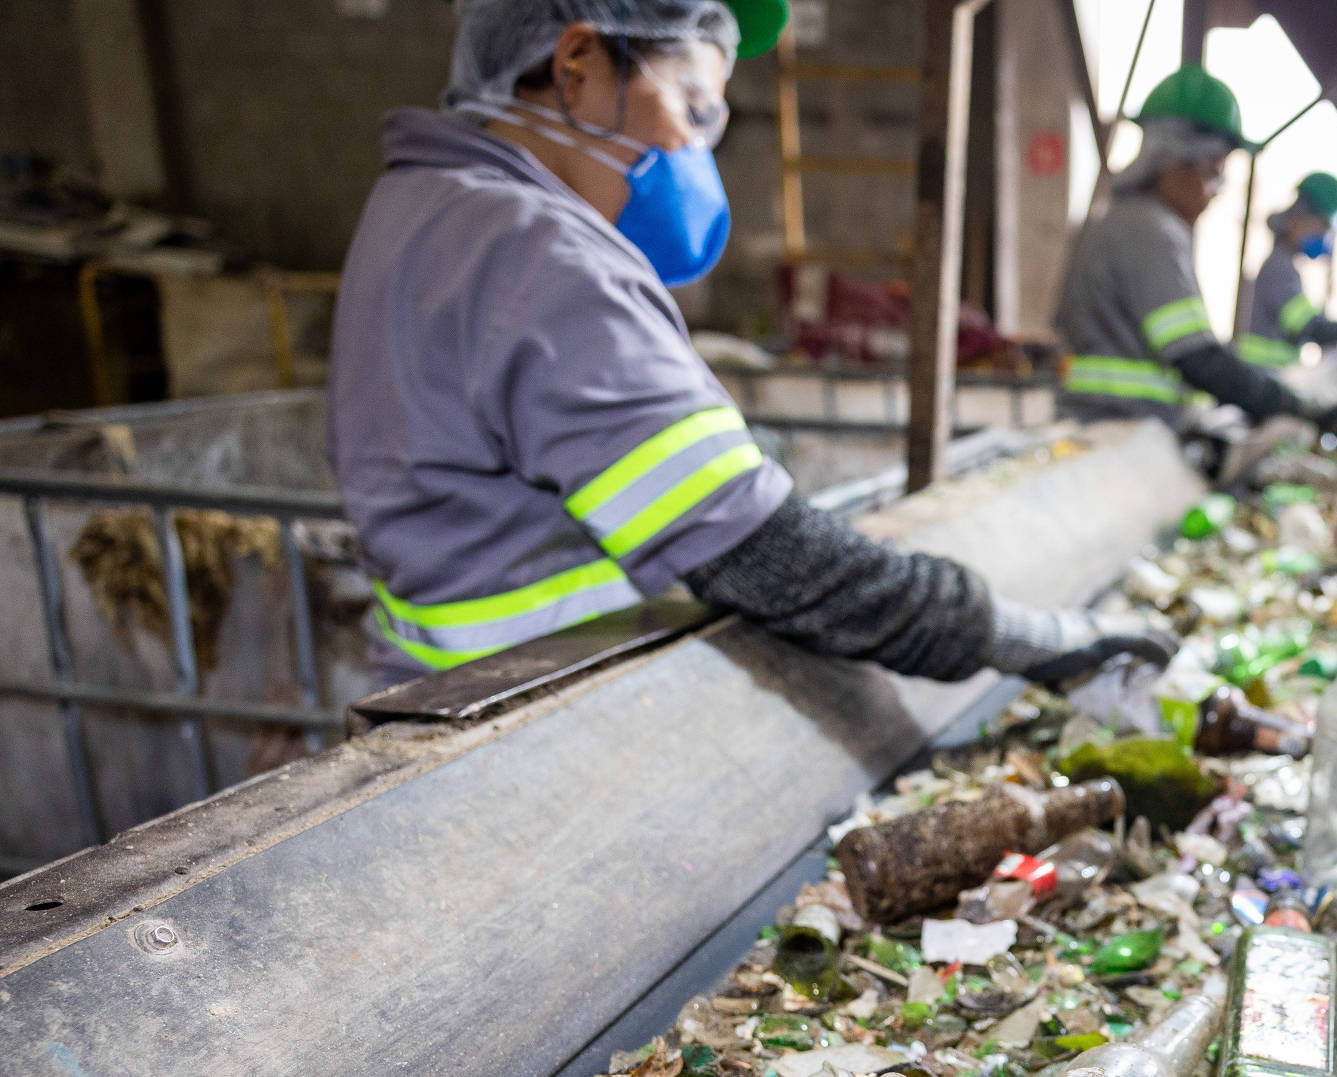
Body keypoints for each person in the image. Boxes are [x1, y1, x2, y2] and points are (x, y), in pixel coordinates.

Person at [329, 0, 1167, 691]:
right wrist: (1023, 636)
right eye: (693, 109)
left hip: (429, 690)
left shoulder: (417, 206)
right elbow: (770, 559)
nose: (700, 152)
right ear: (576, 66)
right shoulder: (544, 257)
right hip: (530, 717)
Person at [1055, 65, 1337, 438]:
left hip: (1118, 427)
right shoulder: (1149, 230)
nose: (1217, 189)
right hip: (1119, 432)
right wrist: (1293, 406)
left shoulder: (1125, 221)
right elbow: (1196, 357)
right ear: (1175, 160)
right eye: (1214, 170)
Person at [1238, 172, 1337, 369]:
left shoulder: (1286, 265)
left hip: (1270, 374)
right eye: (1321, 227)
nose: (1324, 236)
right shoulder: (1279, 267)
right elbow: (1304, 325)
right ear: (1296, 221)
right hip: (1262, 374)